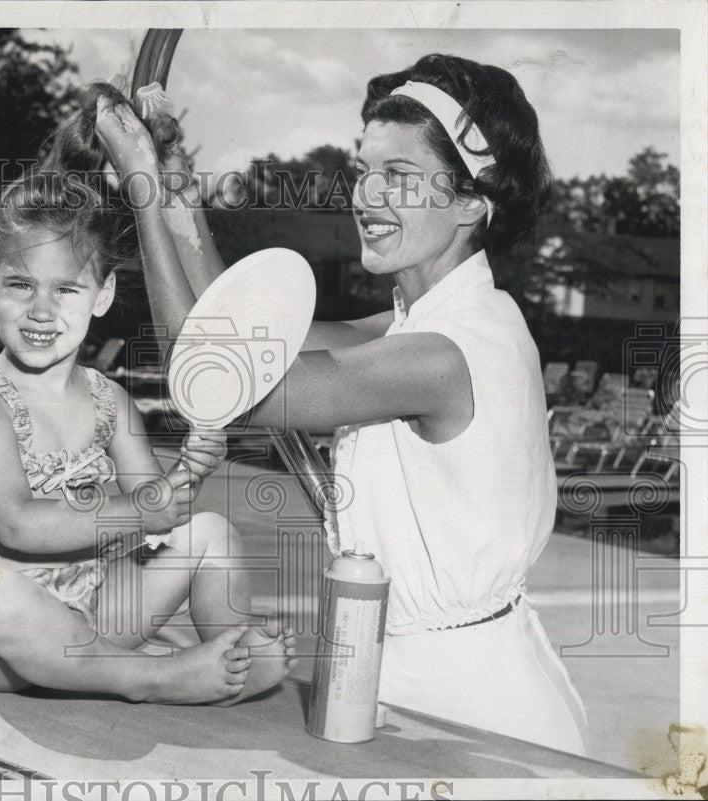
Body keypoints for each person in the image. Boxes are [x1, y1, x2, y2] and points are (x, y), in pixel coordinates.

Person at [97, 55, 589, 752]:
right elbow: (240, 335)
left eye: (400, 177)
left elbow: (213, 374)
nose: (367, 195)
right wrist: (176, 187)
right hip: (416, 679)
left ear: (474, 201)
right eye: (365, 171)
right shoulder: (425, 323)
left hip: (477, 712)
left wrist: (141, 191)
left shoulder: (445, 352)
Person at [0, 83, 297, 705]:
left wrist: (184, 478)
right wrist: (141, 510)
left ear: (102, 295)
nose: (41, 310)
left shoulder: (108, 401)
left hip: (93, 615)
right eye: (20, 285)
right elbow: (18, 527)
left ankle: (229, 655)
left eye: (65, 290)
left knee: (209, 533)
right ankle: (155, 678)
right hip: (5, 641)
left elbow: (154, 517)